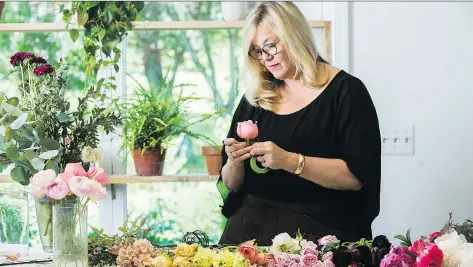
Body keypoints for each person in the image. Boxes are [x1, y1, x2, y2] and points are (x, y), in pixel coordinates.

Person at [216, 1, 381, 246]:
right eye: (257, 51)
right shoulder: (256, 96)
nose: (265, 58)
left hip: (322, 237)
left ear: (295, 36)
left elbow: (357, 177)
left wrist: (289, 161)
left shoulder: (347, 92)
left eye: (271, 45)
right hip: (248, 233)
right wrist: (234, 161)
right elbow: (230, 183)